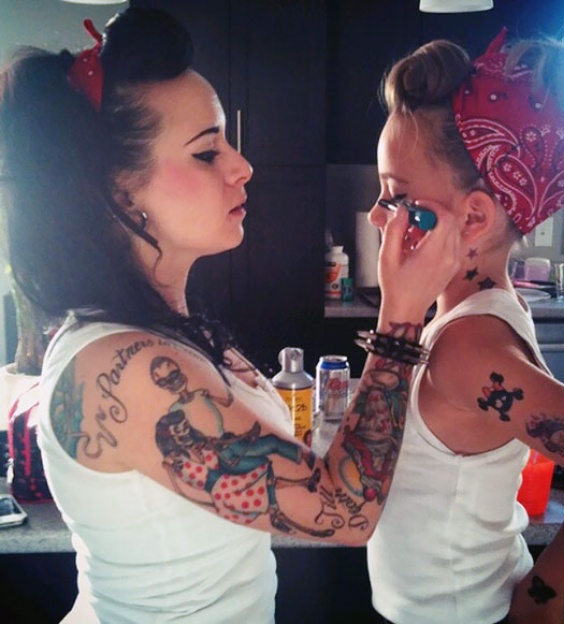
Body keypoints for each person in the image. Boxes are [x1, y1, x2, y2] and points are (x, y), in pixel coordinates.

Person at [0, 7, 462, 623]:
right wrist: (401, 316)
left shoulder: (165, 328)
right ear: (119, 188)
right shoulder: (124, 365)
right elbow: (345, 513)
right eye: (206, 152)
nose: (242, 166)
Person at [365, 28, 564, 624]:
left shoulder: (468, 349)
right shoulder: (468, 314)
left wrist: (546, 596)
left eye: (395, 197)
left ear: (473, 218)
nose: (376, 215)